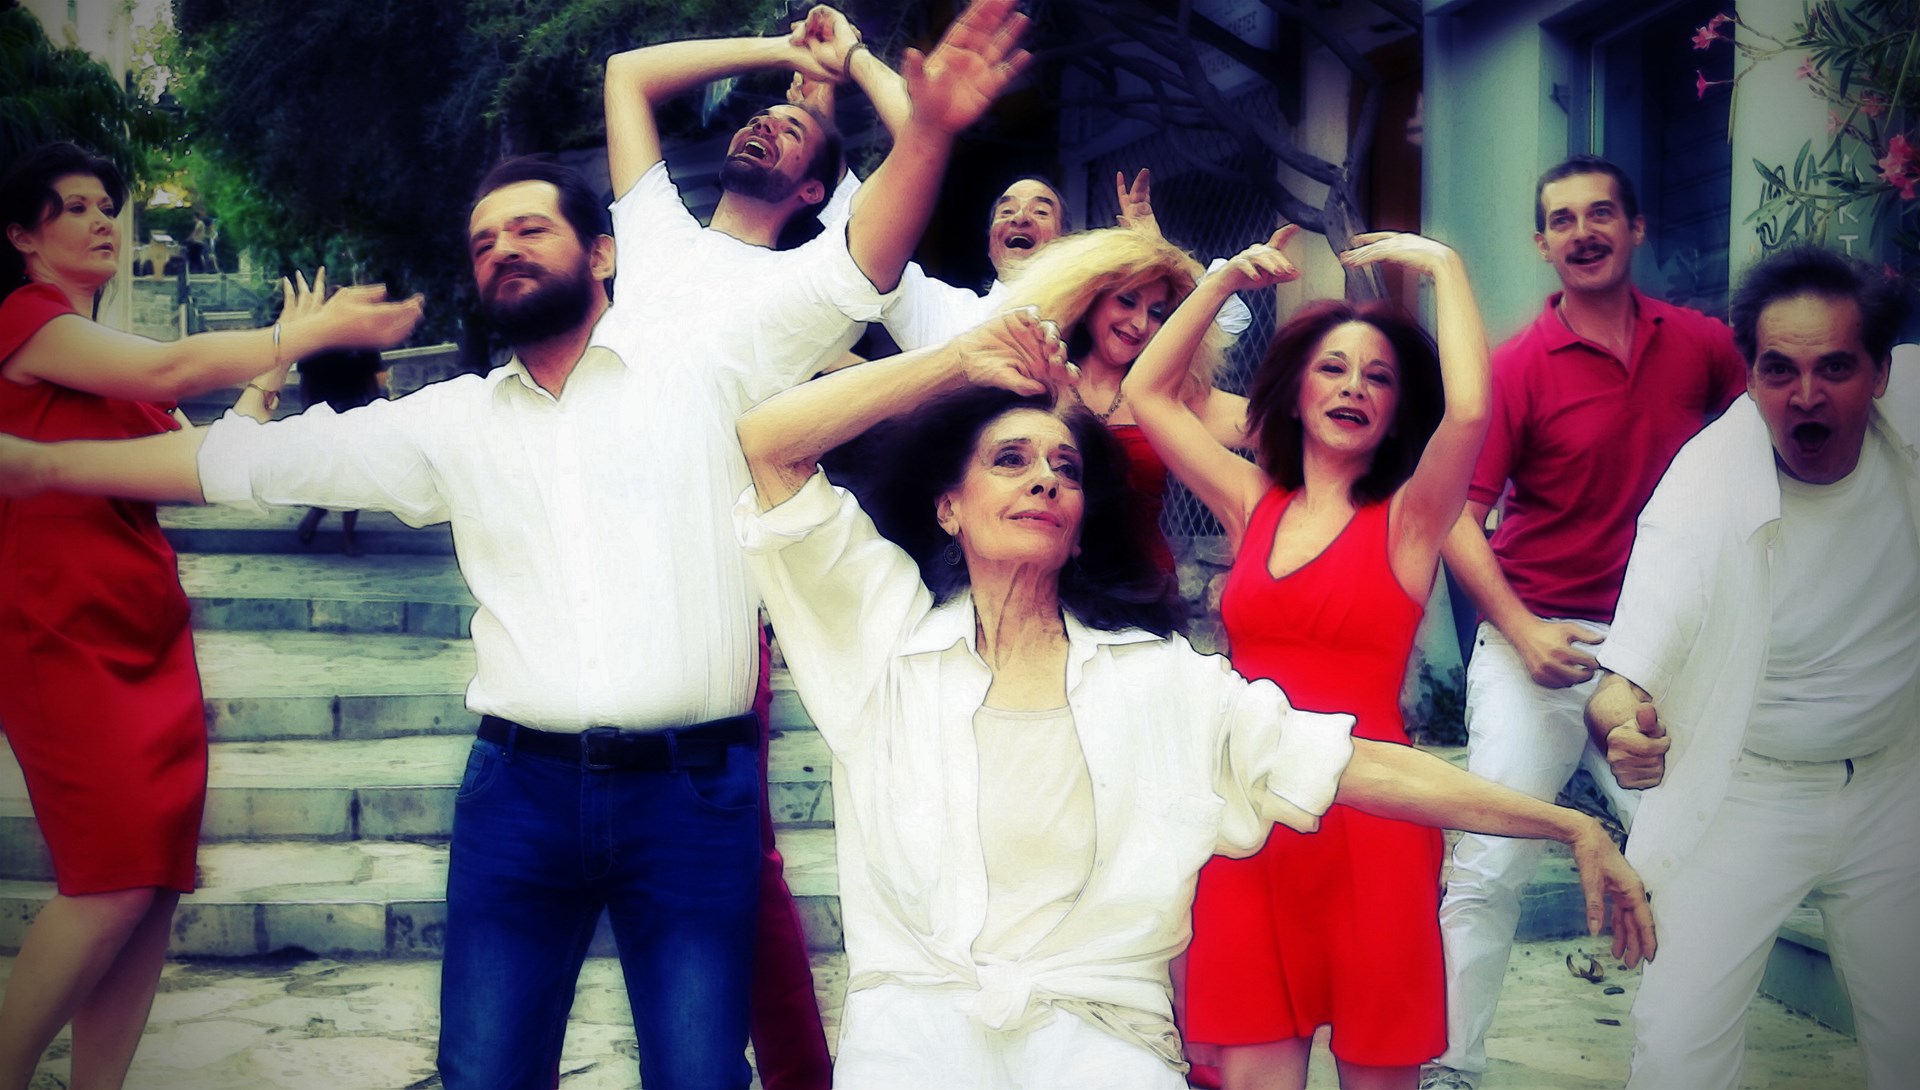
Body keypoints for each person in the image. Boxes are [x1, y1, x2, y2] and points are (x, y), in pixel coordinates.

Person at [0, 4, 1029, 1084]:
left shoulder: (714, 362)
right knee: (485, 1073)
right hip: (516, 802)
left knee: (698, 1074)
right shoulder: (454, 423)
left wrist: (927, 131)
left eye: (530, 229)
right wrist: (43, 468)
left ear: (602, 251)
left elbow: (863, 258)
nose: (503, 250)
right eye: (484, 242)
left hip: (691, 798)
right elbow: (250, 461)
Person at [729, 305, 1653, 1089]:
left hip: (1098, 1035)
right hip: (916, 1036)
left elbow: (1354, 764)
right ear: (949, 506)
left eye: (1066, 470)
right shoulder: (880, 641)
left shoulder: (1156, 679)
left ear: (1080, 524)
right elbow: (769, 445)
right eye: (1009, 460)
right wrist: (957, 361)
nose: (1045, 477)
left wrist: (1568, 824)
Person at [0, 141, 421, 1090]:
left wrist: (272, 371)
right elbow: (174, 366)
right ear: (23, 236)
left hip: (142, 630)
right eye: (75, 207)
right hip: (58, 630)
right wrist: (299, 336)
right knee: (108, 882)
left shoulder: (107, 364)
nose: (102, 220)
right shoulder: (26, 324)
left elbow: (204, 466)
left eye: (107, 205)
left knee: (149, 887)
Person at [1123, 226, 1487, 1090]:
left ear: (1397, 410)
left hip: (1375, 820)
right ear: (1293, 394)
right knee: (1255, 1072)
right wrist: (1219, 283)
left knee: (1379, 1072)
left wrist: (1447, 267)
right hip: (1251, 817)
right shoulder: (1252, 501)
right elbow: (1147, 393)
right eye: (1333, 368)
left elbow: (1470, 413)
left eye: (1379, 377)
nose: (1354, 387)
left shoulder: (1410, 520)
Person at [1424, 154, 1748, 1090]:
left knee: (1692, 857)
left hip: (1663, 649)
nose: (1583, 232)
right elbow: (1454, 516)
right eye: (1562, 220)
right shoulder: (1517, 366)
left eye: (1601, 213)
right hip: (1540, 643)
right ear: (1541, 243)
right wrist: (1521, 630)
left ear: (1636, 227)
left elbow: (1756, 468)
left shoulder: (1702, 346)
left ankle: (1676, 1068)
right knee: (1491, 862)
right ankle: (1451, 1068)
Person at [1584, 246, 1915, 1090]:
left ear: (1881, 373)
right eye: (1780, 370)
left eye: (1835, 367)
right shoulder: (1703, 488)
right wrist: (1624, 733)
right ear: (1752, 377)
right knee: (1677, 1046)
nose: (1806, 396)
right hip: (1747, 792)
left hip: (1895, 786)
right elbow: (1623, 682)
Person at [990, 225, 1246, 571]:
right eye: (1127, 301)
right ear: (1088, 300)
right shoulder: (1034, 379)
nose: (1140, 323)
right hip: (1043, 582)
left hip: (1143, 585)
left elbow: (1279, 425)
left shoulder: (1176, 397)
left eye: (1156, 313)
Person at [292, 277, 389, 556]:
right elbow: (306, 383)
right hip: (324, 414)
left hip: (357, 411)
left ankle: (347, 537)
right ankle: (317, 510)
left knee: (353, 474)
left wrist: (377, 413)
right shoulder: (314, 339)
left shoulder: (364, 339)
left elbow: (373, 380)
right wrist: (308, 417)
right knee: (325, 470)